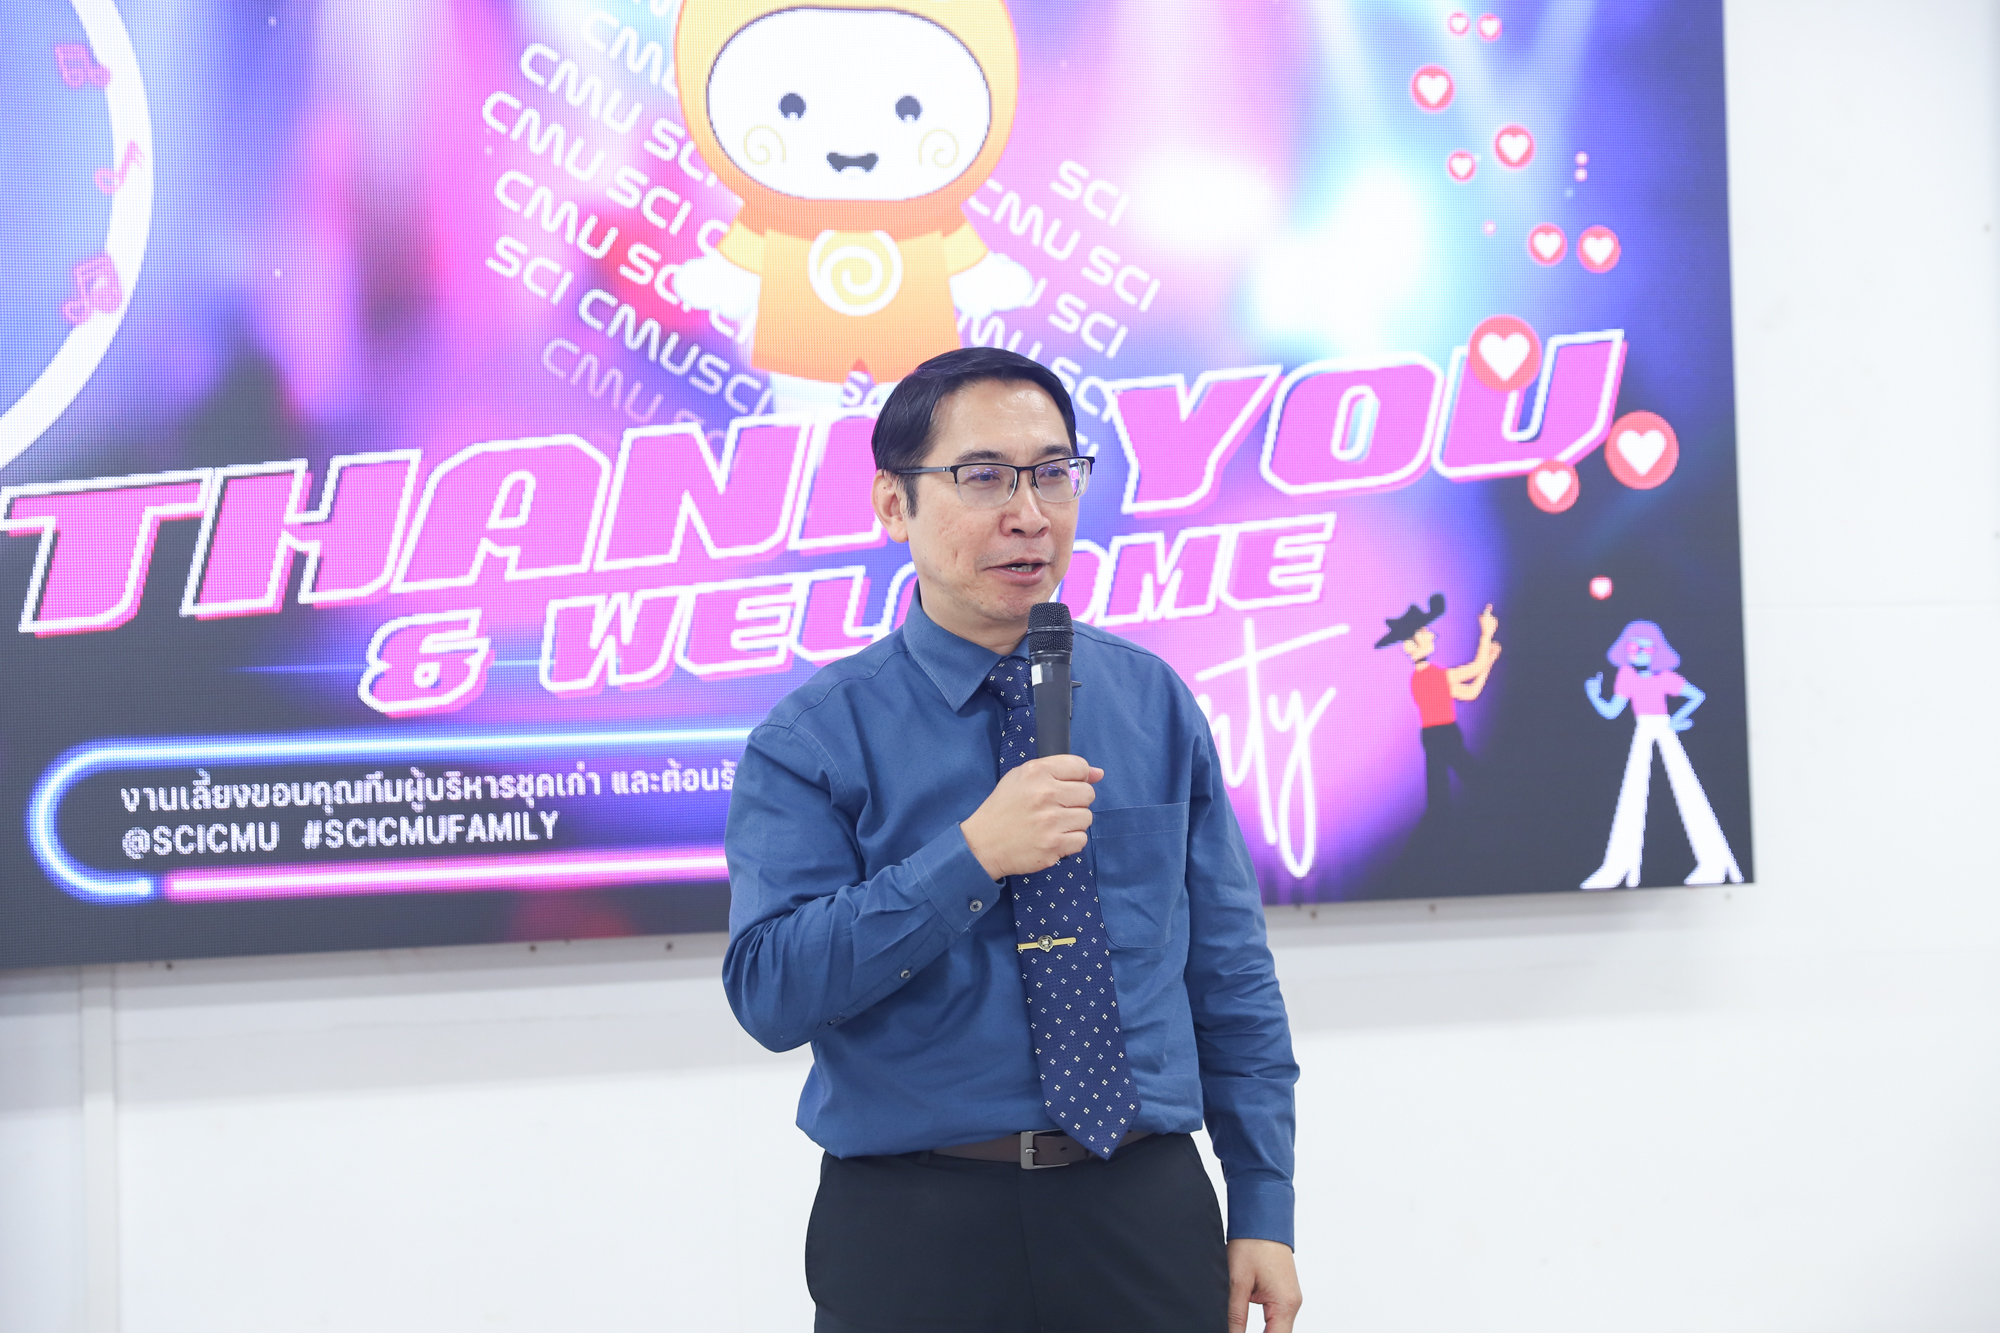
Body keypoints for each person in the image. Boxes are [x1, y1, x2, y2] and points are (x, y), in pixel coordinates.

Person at [722, 347, 1302, 1332]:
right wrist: (973, 855)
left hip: (1141, 1204)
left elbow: (1230, 976)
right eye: (984, 476)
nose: (1029, 513)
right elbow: (772, 991)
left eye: (1052, 473)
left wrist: (1262, 1202)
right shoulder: (813, 739)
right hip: (913, 1221)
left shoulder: (1151, 702)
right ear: (893, 504)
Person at [1580, 620, 1743, 888]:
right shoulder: (1626, 676)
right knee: (1633, 791)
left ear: (1657, 651)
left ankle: (1713, 864)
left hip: (1664, 730)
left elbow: (1697, 696)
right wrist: (1594, 695)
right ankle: (1618, 866)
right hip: (1643, 731)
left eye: (1646, 648)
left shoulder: (1665, 677)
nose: (1639, 653)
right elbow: (1611, 712)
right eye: (1633, 647)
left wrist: (1675, 720)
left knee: (1687, 789)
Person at [1374, 593, 1500, 828]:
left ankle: (1441, 826)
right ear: (1413, 644)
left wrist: (1489, 661)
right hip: (1442, 735)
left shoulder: (1428, 677)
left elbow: (1470, 692)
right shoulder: (1430, 677)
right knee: (1470, 780)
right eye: (1425, 631)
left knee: (1442, 791)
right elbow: (1475, 668)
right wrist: (1486, 634)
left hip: (1438, 735)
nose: (1432, 634)